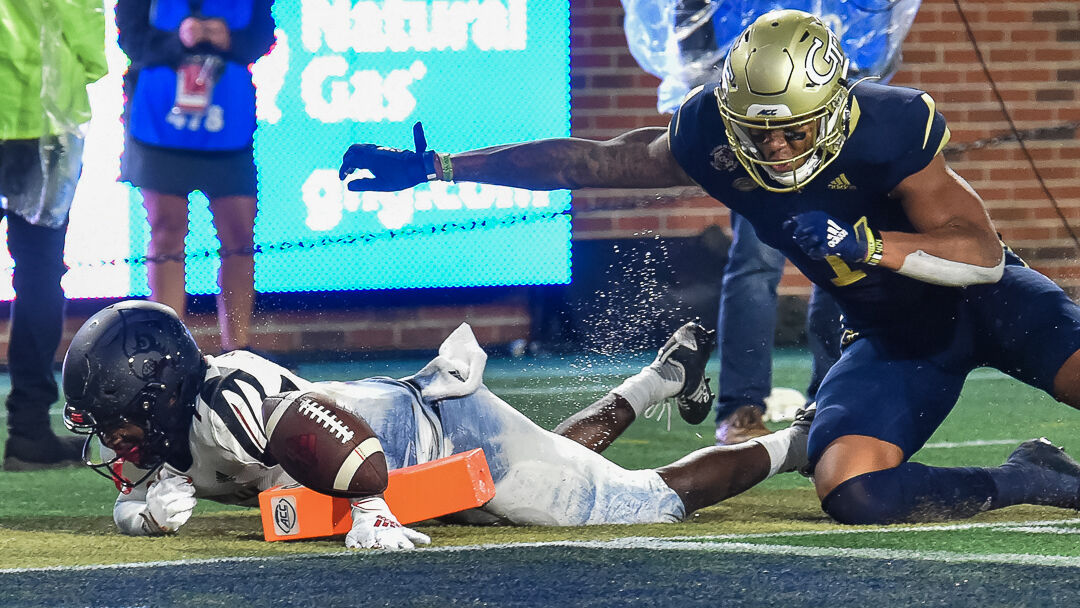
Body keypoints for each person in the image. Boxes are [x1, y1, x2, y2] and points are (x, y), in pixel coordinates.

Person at [338, 9, 1080, 525]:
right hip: (893, 339)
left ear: (833, 107)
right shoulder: (714, 134)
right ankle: (1030, 475)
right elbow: (596, 161)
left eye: (793, 131)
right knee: (853, 490)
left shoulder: (890, 123)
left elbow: (982, 257)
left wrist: (869, 244)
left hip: (989, 306)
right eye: (761, 130)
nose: (777, 149)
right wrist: (441, 166)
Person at [61, 300, 811, 549]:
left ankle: (797, 439)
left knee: (639, 502)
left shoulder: (231, 403)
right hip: (406, 430)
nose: (115, 440)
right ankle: (660, 380)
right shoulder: (164, 424)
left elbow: (345, 450)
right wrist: (141, 520)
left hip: (441, 436)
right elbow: (132, 492)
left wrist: (369, 510)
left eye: (119, 422)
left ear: (157, 397)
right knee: (553, 467)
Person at [116, 0, 275, 353]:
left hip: (227, 123)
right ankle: (168, 350)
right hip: (159, 122)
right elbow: (131, 41)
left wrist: (228, 40)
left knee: (238, 238)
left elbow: (263, 37)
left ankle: (239, 351)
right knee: (166, 233)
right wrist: (178, 41)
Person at [0, 1, 108, 470]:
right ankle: (28, 430)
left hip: (38, 117)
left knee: (40, 275)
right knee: (40, 275)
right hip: (43, 122)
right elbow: (89, 44)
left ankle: (29, 431)